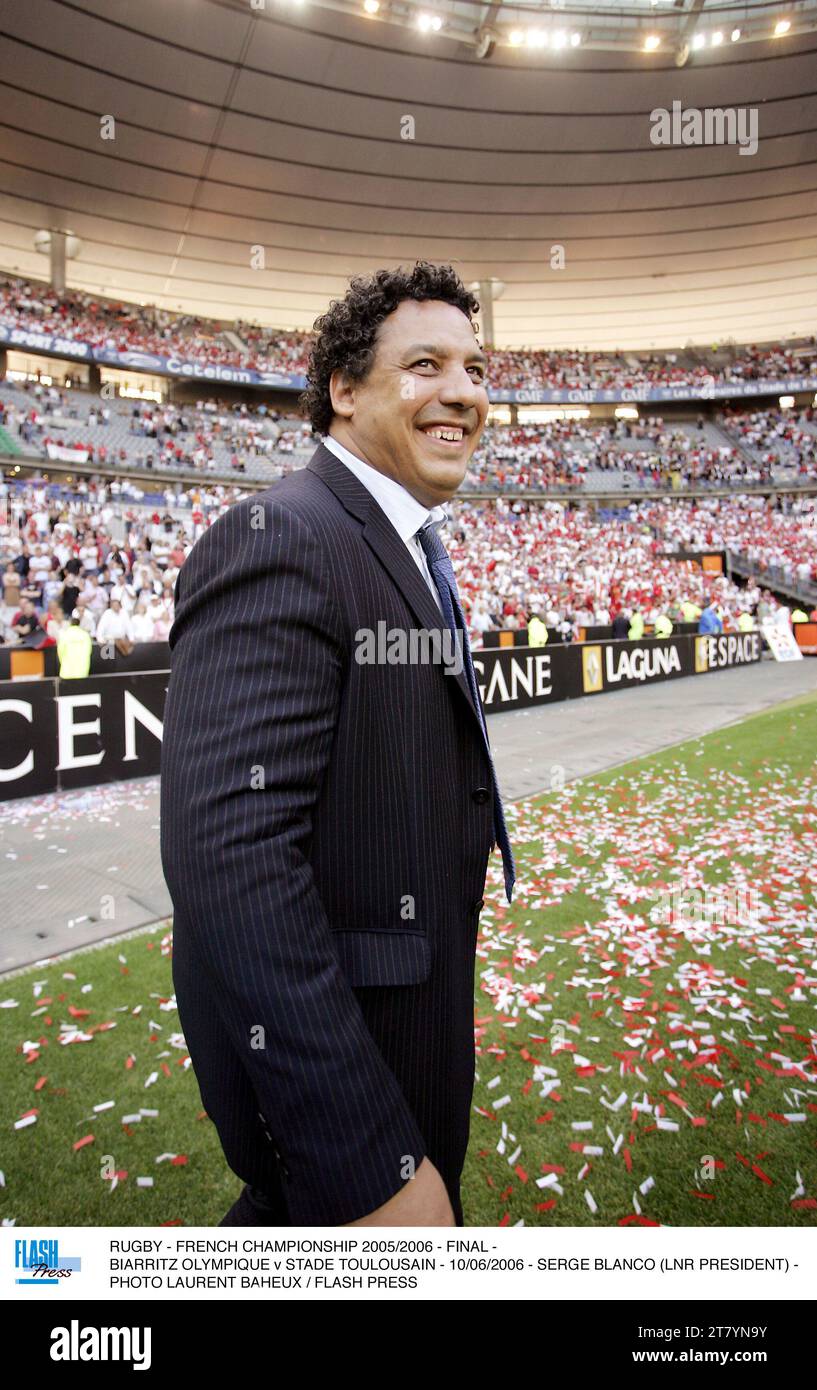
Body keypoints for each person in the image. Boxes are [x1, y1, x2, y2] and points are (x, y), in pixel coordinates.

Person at [160, 262, 515, 1229]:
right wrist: (368, 1157)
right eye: (427, 365)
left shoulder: (400, 542)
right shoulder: (284, 536)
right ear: (344, 389)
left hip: (406, 1045)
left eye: (476, 370)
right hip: (346, 1109)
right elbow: (228, 860)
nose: (464, 394)